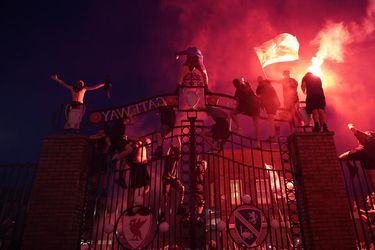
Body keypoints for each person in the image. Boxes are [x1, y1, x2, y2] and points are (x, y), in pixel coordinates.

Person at [112, 137, 152, 205]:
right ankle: (130, 205)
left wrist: (148, 159)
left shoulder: (144, 148)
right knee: (134, 186)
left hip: (143, 166)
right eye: (148, 143)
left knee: (146, 185)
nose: (149, 146)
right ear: (145, 140)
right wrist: (137, 142)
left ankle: (143, 203)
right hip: (137, 165)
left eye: (149, 145)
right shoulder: (138, 143)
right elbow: (134, 146)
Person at [230, 78, 260, 144]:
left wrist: (236, 107)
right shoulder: (247, 86)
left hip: (247, 107)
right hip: (256, 106)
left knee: (232, 113)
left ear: (234, 85)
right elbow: (253, 94)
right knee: (256, 125)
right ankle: (258, 143)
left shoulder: (238, 90)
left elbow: (237, 102)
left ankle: (239, 128)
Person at [161, 145, 185, 218]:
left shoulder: (176, 159)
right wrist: (170, 147)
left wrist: (179, 142)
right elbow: (167, 154)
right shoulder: (168, 158)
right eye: (172, 151)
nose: (173, 153)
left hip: (173, 178)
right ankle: (163, 212)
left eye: (174, 152)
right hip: (167, 178)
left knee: (182, 188)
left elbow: (180, 150)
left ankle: (180, 206)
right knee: (165, 195)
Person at [256, 76, 281, 140]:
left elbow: (259, 97)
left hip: (269, 104)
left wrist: (261, 106)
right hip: (273, 104)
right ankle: (275, 127)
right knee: (271, 119)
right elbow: (274, 94)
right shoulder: (269, 86)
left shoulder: (260, 87)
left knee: (270, 120)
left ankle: (272, 136)